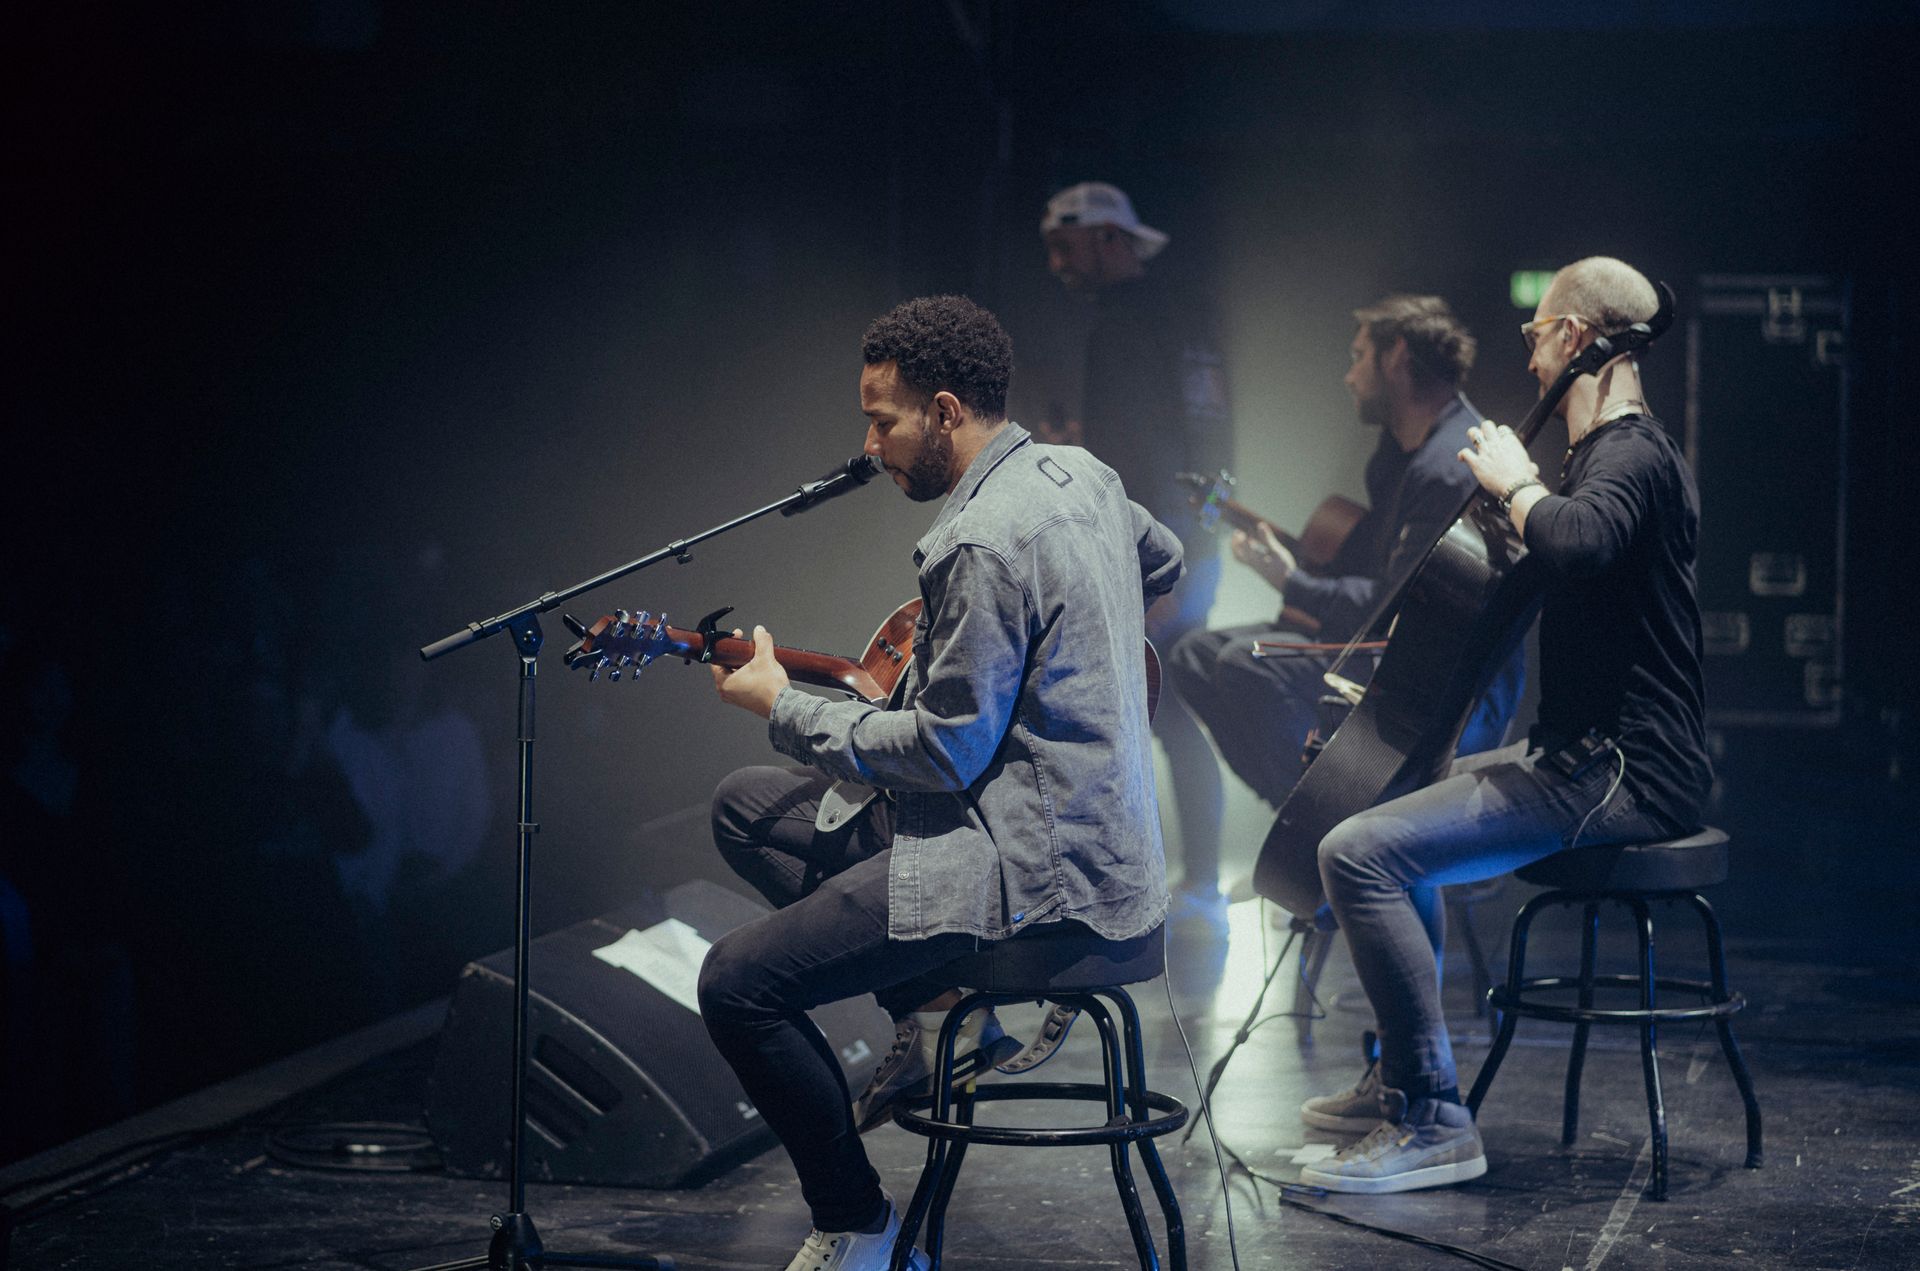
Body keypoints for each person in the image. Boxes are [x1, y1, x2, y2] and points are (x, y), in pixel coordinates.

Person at [697, 294, 1181, 1269]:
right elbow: (1161, 559)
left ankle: (860, 1225)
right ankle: (930, 1014)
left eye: (884, 420)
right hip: (1111, 850)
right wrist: (1082, 673)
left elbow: (945, 753)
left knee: (738, 982)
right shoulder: (1082, 472)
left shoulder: (979, 539)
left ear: (947, 410)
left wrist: (780, 704)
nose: (871, 445)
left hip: (1027, 880)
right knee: (746, 805)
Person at [1294, 257, 1713, 1194]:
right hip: (1583, 756)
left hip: (1623, 771)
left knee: (1359, 853)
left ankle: (1435, 1113)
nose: (1529, 361)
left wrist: (1520, 489)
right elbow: (1520, 586)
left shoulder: (1630, 455)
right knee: (1395, 810)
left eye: (1536, 338)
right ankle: (1403, 1072)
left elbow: (1577, 538)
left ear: (1573, 337)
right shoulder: (1604, 459)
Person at [1168, 295, 1522, 823]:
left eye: (1359, 357)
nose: (1350, 376)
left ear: (1397, 357)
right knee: (1191, 657)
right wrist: (1292, 572)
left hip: (1434, 684)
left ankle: (1330, 823)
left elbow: (1393, 607)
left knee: (1244, 664)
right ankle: (1305, 821)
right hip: (1385, 647)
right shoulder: (1398, 455)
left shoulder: (1447, 466)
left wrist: (1291, 582)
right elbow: (1372, 576)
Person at [1039, 180, 1233, 932]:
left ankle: (1147, 884)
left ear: (1109, 239)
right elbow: (1210, 444)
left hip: (1154, 557)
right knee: (1166, 712)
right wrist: (1207, 542)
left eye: (1065, 245)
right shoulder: (1189, 322)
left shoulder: (1122, 328)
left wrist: (1167, 570)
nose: (1057, 263)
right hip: (1184, 546)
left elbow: (1136, 455)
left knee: (1152, 714)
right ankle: (1195, 876)